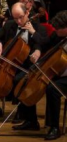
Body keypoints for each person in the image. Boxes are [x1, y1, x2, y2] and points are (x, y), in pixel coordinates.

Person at [0, 2, 48, 124]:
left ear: (27, 13)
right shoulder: (10, 25)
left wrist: (34, 36)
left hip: (28, 65)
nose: (18, 21)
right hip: (10, 63)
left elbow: (44, 43)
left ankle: (22, 112)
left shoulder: (39, 28)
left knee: (19, 80)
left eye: (21, 17)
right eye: (15, 18)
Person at [42, 10, 67, 140]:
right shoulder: (60, 36)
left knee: (53, 89)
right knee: (48, 84)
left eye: (58, 29)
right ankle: (49, 122)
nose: (55, 31)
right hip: (62, 73)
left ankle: (55, 127)